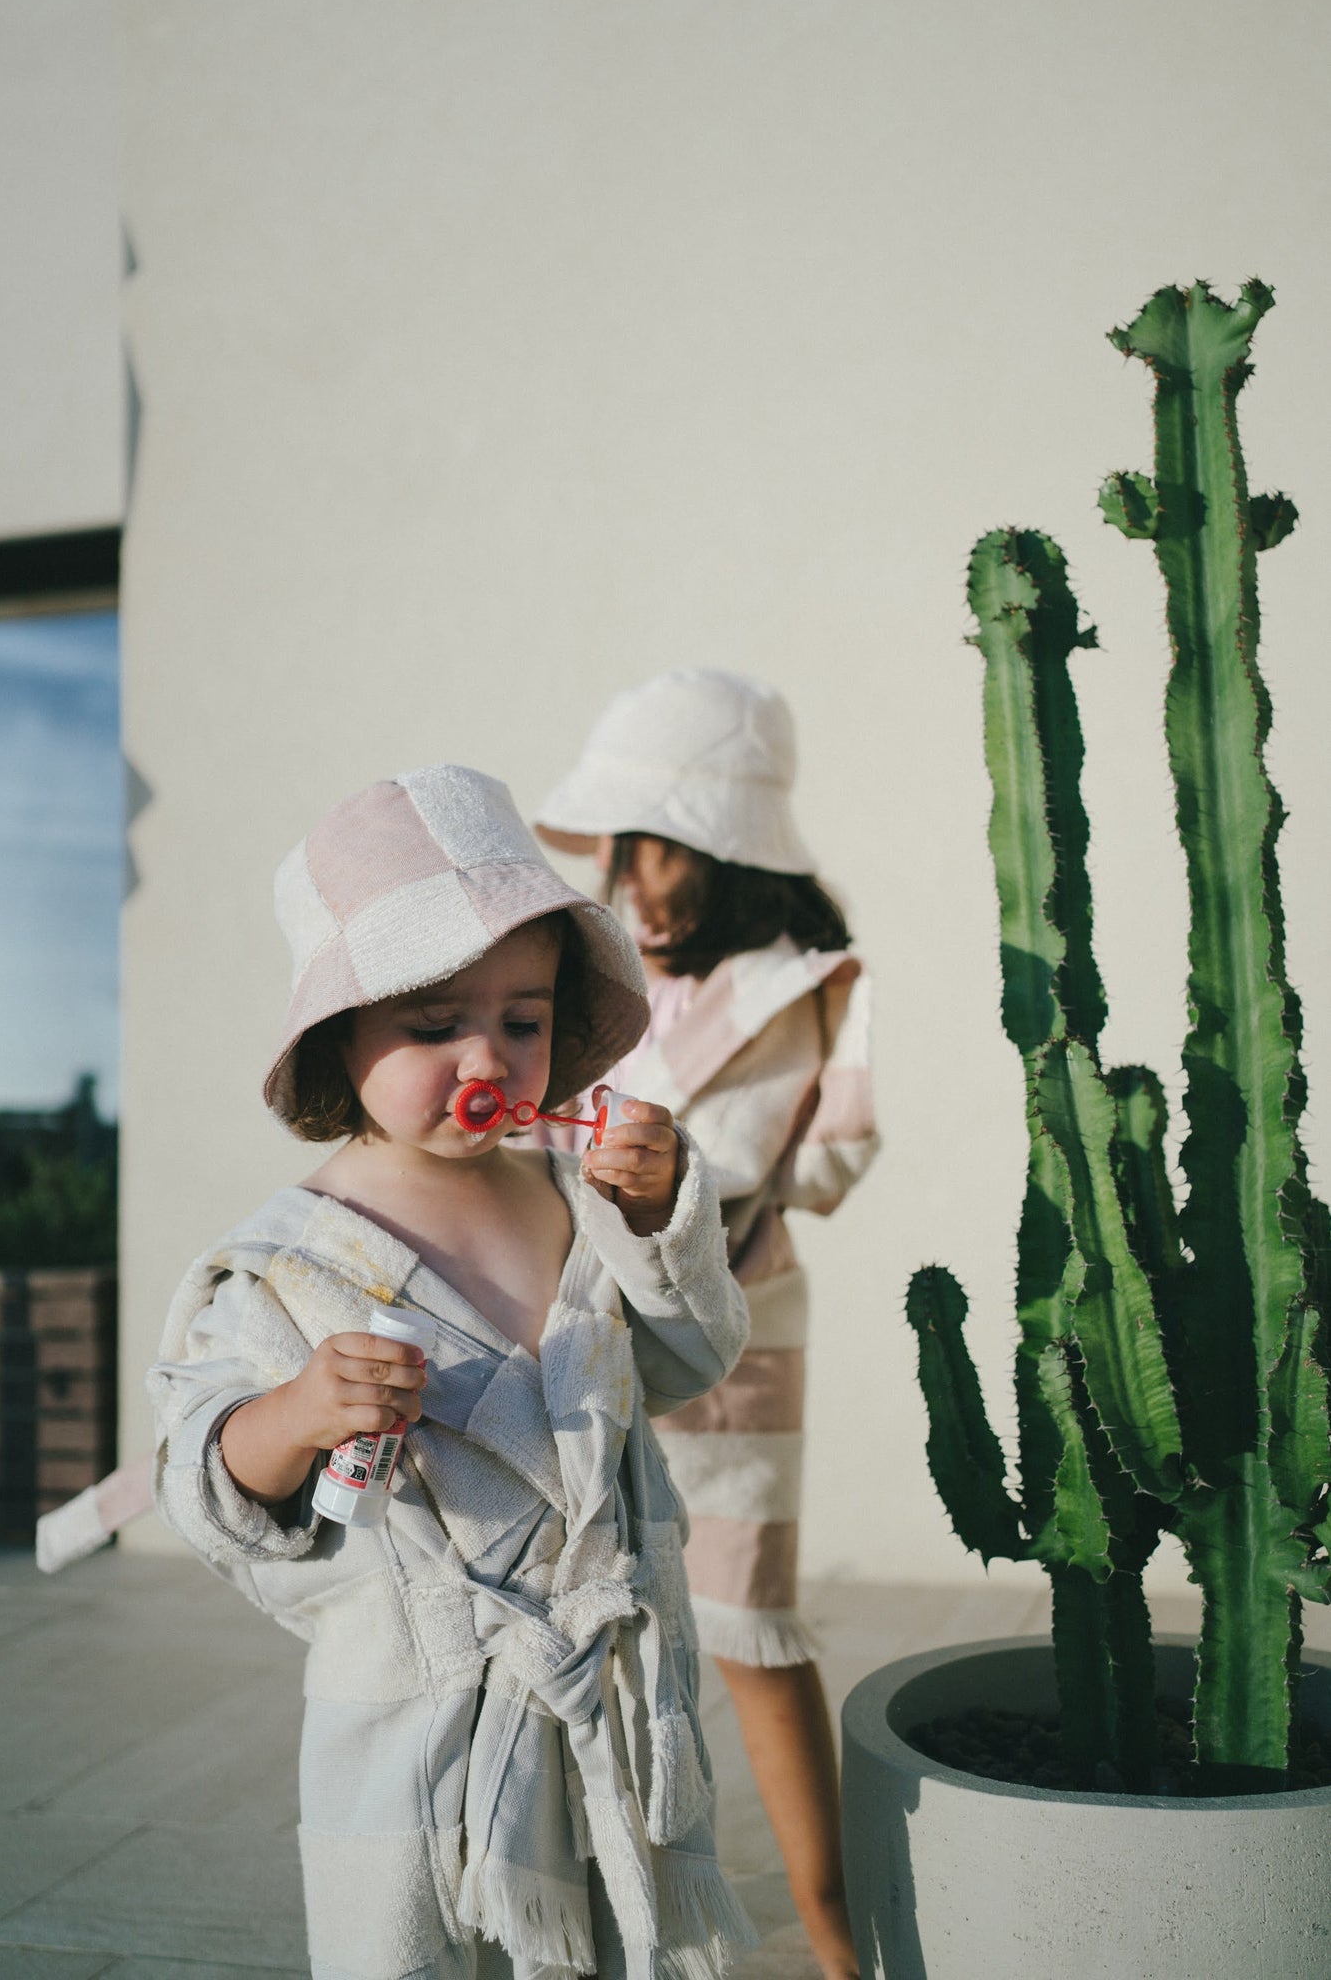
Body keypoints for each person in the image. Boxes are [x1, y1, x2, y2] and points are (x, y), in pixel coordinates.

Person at [148, 764, 756, 1980]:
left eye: (523, 1020)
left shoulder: (562, 1194)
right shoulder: (286, 1260)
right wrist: (293, 1413)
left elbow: (686, 1360)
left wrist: (652, 1220)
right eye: (432, 1025)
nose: (488, 1052)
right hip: (425, 1726)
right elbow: (202, 1473)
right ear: (338, 1040)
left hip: (613, 1712)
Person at [535, 670, 879, 1980]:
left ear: (734, 856)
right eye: (628, 844)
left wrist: (643, 1168)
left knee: (744, 1624)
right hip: (574, 1334)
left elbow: (757, 1162)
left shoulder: (797, 989)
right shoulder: (600, 973)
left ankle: (840, 1936)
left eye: (665, 842)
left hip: (725, 1333)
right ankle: (614, 1918)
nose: (638, 874)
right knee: (594, 1624)